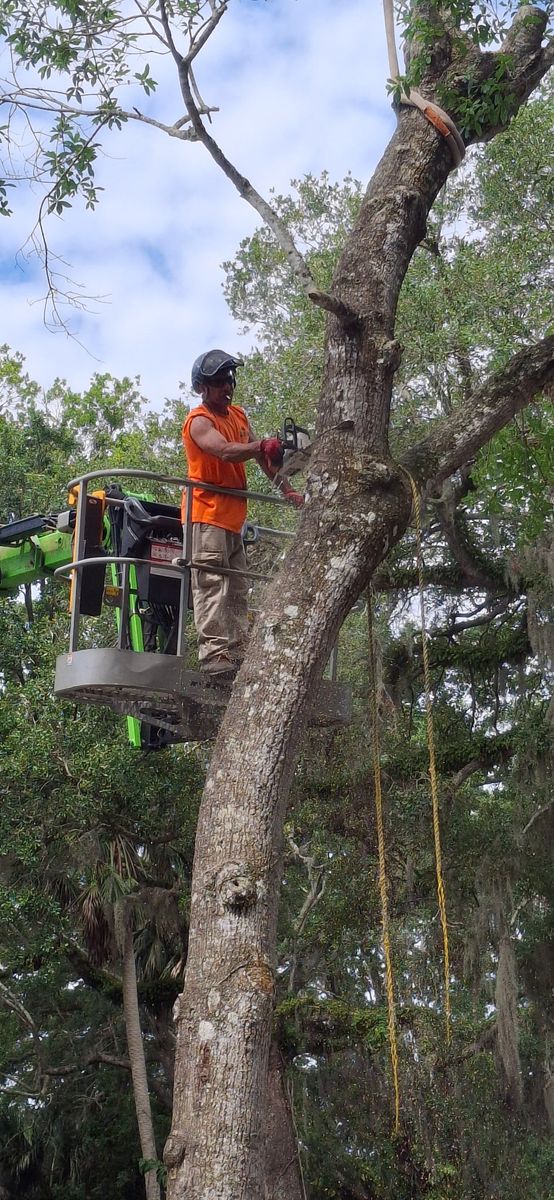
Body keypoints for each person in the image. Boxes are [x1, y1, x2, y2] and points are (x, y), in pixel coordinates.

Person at [182, 349, 303, 677]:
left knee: (237, 588)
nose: (228, 386)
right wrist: (259, 445)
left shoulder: (238, 416)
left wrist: (287, 488)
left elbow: (262, 459)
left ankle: (236, 654)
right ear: (202, 388)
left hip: (233, 520)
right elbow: (224, 452)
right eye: (220, 381)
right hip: (206, 515)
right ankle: (215, 654)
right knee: (211, 583)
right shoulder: (199, 421)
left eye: (230, 380)